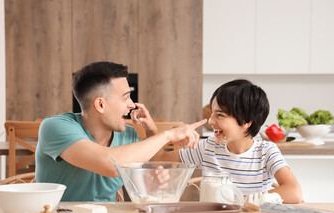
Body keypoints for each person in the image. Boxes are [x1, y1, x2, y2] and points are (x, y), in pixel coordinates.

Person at [35, 61, 206, 201]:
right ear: (100, 104)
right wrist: (167, 135)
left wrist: (152, 184)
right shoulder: (55, 127)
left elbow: (141, 194)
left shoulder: (129, 136)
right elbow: (110, 165)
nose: (132, 105)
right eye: (125, 97)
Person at [155, 79, 303, 203]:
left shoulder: (266, 152)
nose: (211, 121)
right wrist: (153, 131)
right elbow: (158, 159)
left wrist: (242, 201)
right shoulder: (207, 148)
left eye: (219, 115)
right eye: (212, 113)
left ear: (246, 121)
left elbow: (294, 192)